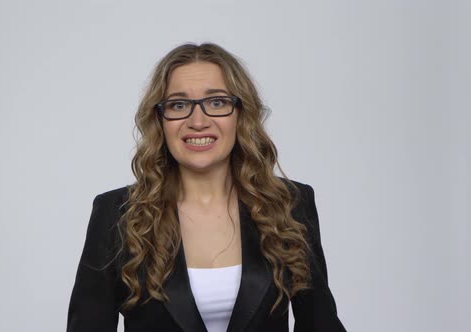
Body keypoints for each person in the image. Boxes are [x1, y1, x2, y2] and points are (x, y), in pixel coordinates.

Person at [66, 43, 346, 332]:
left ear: (241, 113)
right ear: (159, 119)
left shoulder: (289, 203)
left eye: (216, 102)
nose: (197, 121)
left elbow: (320, 324)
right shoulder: (116, 213)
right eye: (178, 105)